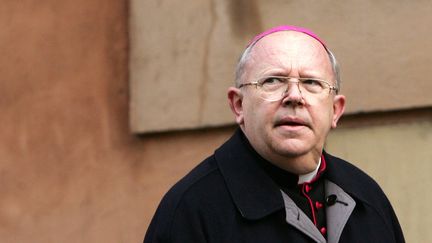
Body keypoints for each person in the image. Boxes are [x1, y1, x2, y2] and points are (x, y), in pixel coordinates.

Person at [143, 25, 405, 243]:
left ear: (335, 110)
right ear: (238, 104)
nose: (294, 96)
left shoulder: (367, 197)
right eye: (273, 81)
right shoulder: (192, 210)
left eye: (311, 82)